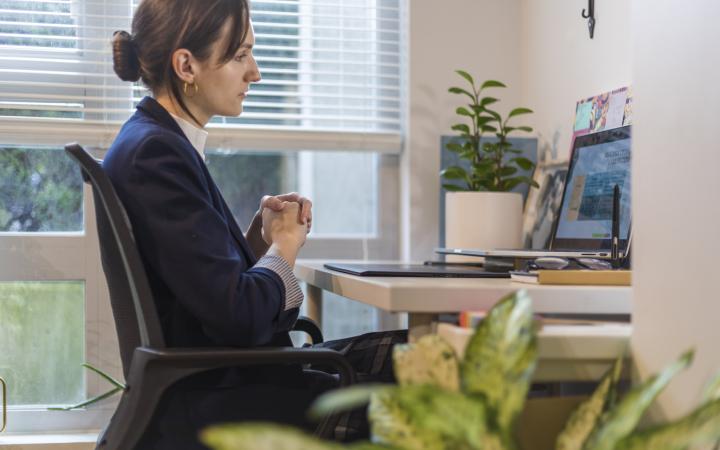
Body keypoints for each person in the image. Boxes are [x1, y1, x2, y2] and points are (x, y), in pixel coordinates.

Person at [106, 0, 406, 448]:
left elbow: (203, 292)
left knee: (420, 349)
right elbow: (241, 318)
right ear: (186, 65)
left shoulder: (156, 142)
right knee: (433, 367)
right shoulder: (157, 155)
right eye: (241, 55)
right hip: (225, 401)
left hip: (228, 383)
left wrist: (256, 240)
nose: (256, 73)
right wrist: (283, 246)